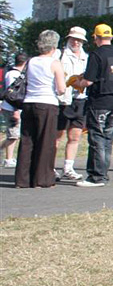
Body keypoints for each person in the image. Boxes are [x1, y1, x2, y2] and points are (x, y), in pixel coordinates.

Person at [73, 24, 113, 188]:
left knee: (96, 138)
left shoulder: (96, 55)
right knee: (107, 139)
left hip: (99, 102)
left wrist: (76, 82)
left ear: (96, 37)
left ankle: (96, 176)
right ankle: (103, 173)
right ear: (110, 37)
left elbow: (88, 81)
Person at [15, 30, 67, 188]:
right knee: (46, 142)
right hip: (47, 103)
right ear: (54, 46)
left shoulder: (31, 61)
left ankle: (22, 179)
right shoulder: (54, 63)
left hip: (29, 102)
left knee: (27, 141)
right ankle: (43, 179)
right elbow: (61, 88)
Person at [54, 26, 89, 181]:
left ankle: (68, 167)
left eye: (79, 40)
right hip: (62, 100)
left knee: (75, 136)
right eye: (73, 39)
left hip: (80, 100)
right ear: (68, 39)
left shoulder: (86, 57)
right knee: (57, 136)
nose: (76, 42)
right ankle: (50, 167)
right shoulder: (59, 55)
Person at [1, 53, 27, 168]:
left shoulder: (10, 73)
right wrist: (16, 110)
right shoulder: (14, 75)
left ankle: (7, 155)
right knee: (13, 135)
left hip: (11, 107)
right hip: (12, 107)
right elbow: (13, 95)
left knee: (14, 134)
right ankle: (9, 158)